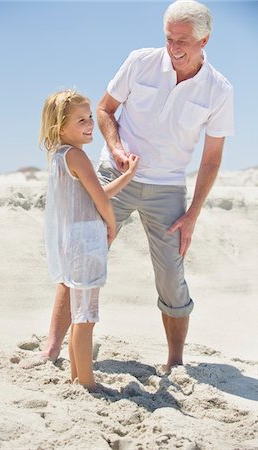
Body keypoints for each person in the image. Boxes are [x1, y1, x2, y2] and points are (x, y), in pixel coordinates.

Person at [97, 0, 234, 371]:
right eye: (169, 38)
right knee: (87, 254)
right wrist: (116, 147)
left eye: (183, 40)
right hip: (116, 177)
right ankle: (53, 347)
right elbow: (105, 109)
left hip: (168, 188)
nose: (173, 47)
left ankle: (175, 361)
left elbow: (211, 159)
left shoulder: (219, 90)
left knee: (172, 277)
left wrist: (192, 214)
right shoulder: (140, 61)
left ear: (205, 39)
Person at [39, 90, 139, 389]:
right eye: (81, 120)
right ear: (60, 128)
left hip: (74, 240)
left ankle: (76, 376)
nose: (90, 124)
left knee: (81, 312)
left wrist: (128, 176)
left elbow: (98, 192)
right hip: (86, 240)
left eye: (90, 117)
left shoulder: (60, 156)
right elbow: (102, 202)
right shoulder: (77, 155)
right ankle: (88, 384)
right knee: (85, 317)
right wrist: (110, 225)